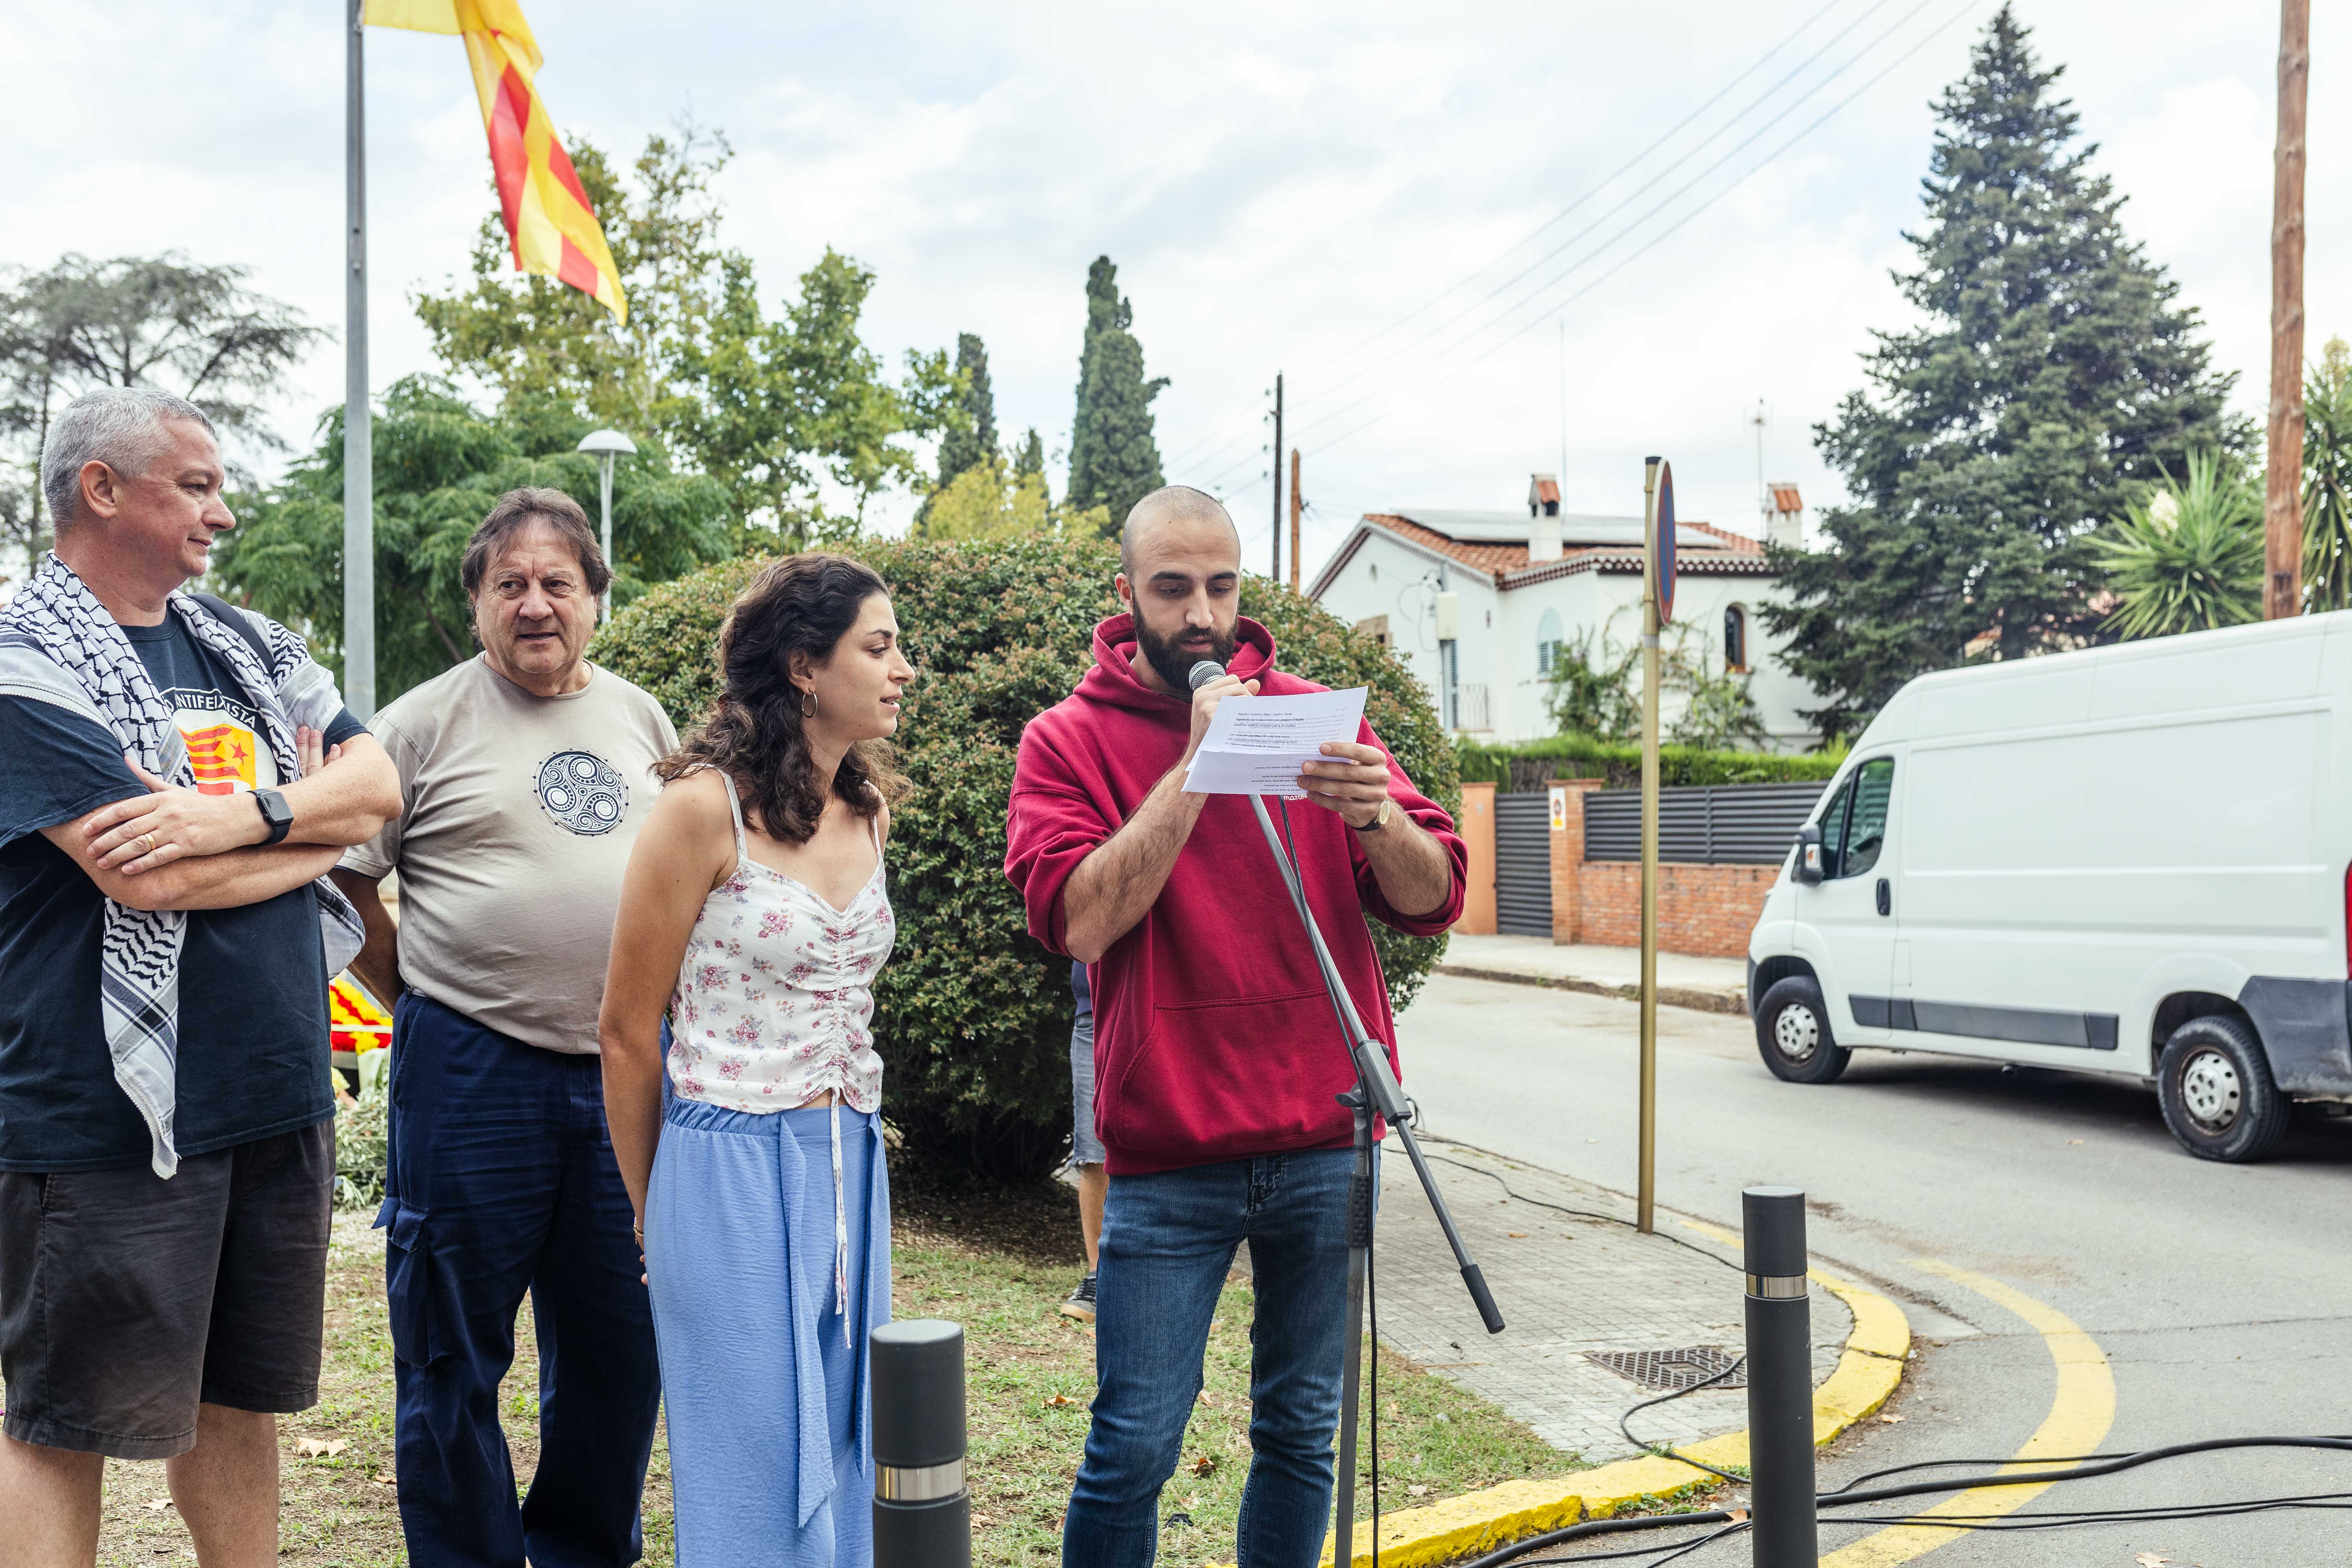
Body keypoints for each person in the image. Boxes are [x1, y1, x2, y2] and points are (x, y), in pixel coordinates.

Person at [1004, 486, 1466, 1568]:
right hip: (1170, 1154)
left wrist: (1379, 816)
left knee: (1304, 1435)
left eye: (1220, 586)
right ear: (1127, 596)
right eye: (1173, 590)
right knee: (1134, 1444)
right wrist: (1196, 771)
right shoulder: (1066, 740)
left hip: (1324, 1130)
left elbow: (1432, 893)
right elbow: (1080, 918)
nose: (1201, 614)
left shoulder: (1313, 713)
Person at [0, 387, 401, 1566]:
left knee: (240, 1400)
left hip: (268, 1090)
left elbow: (375, 787)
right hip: (103, 1115)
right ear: (103, 489)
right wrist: (308, 840)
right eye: (198, 484)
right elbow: (141, 876)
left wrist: (259, 814)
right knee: (59, 1418)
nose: (222, 513)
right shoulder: (24, 667)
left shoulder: (249, 644)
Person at [330, 488, 677, 1568]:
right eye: (510, 585)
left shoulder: (640, 718)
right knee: (449, 1351)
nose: (536, 605)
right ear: (477, 600)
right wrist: (424, 995)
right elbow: (346, 884)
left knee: (622, 1349)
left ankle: (580, 1551)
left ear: (595, 600)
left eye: (558, 583)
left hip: (625, 1078)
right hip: (474, 1071)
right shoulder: (418, 724)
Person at [599, 554, 916, 1567]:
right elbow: (624, 1027)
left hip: (849, 1160)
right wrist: (656, 1207)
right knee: (747, 1454)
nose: (904, 668)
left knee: (851, 1433)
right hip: (723, 1167)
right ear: (805, 669)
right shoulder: (702, 810)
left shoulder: (868, 812)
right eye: (880, 646)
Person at [1060, 959, 1106, 1321]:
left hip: (1169, 1006)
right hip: (1094, 1008)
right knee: (1094, 1155)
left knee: (1180, 1153)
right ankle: (1099, 1281)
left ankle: (1186, 1290)